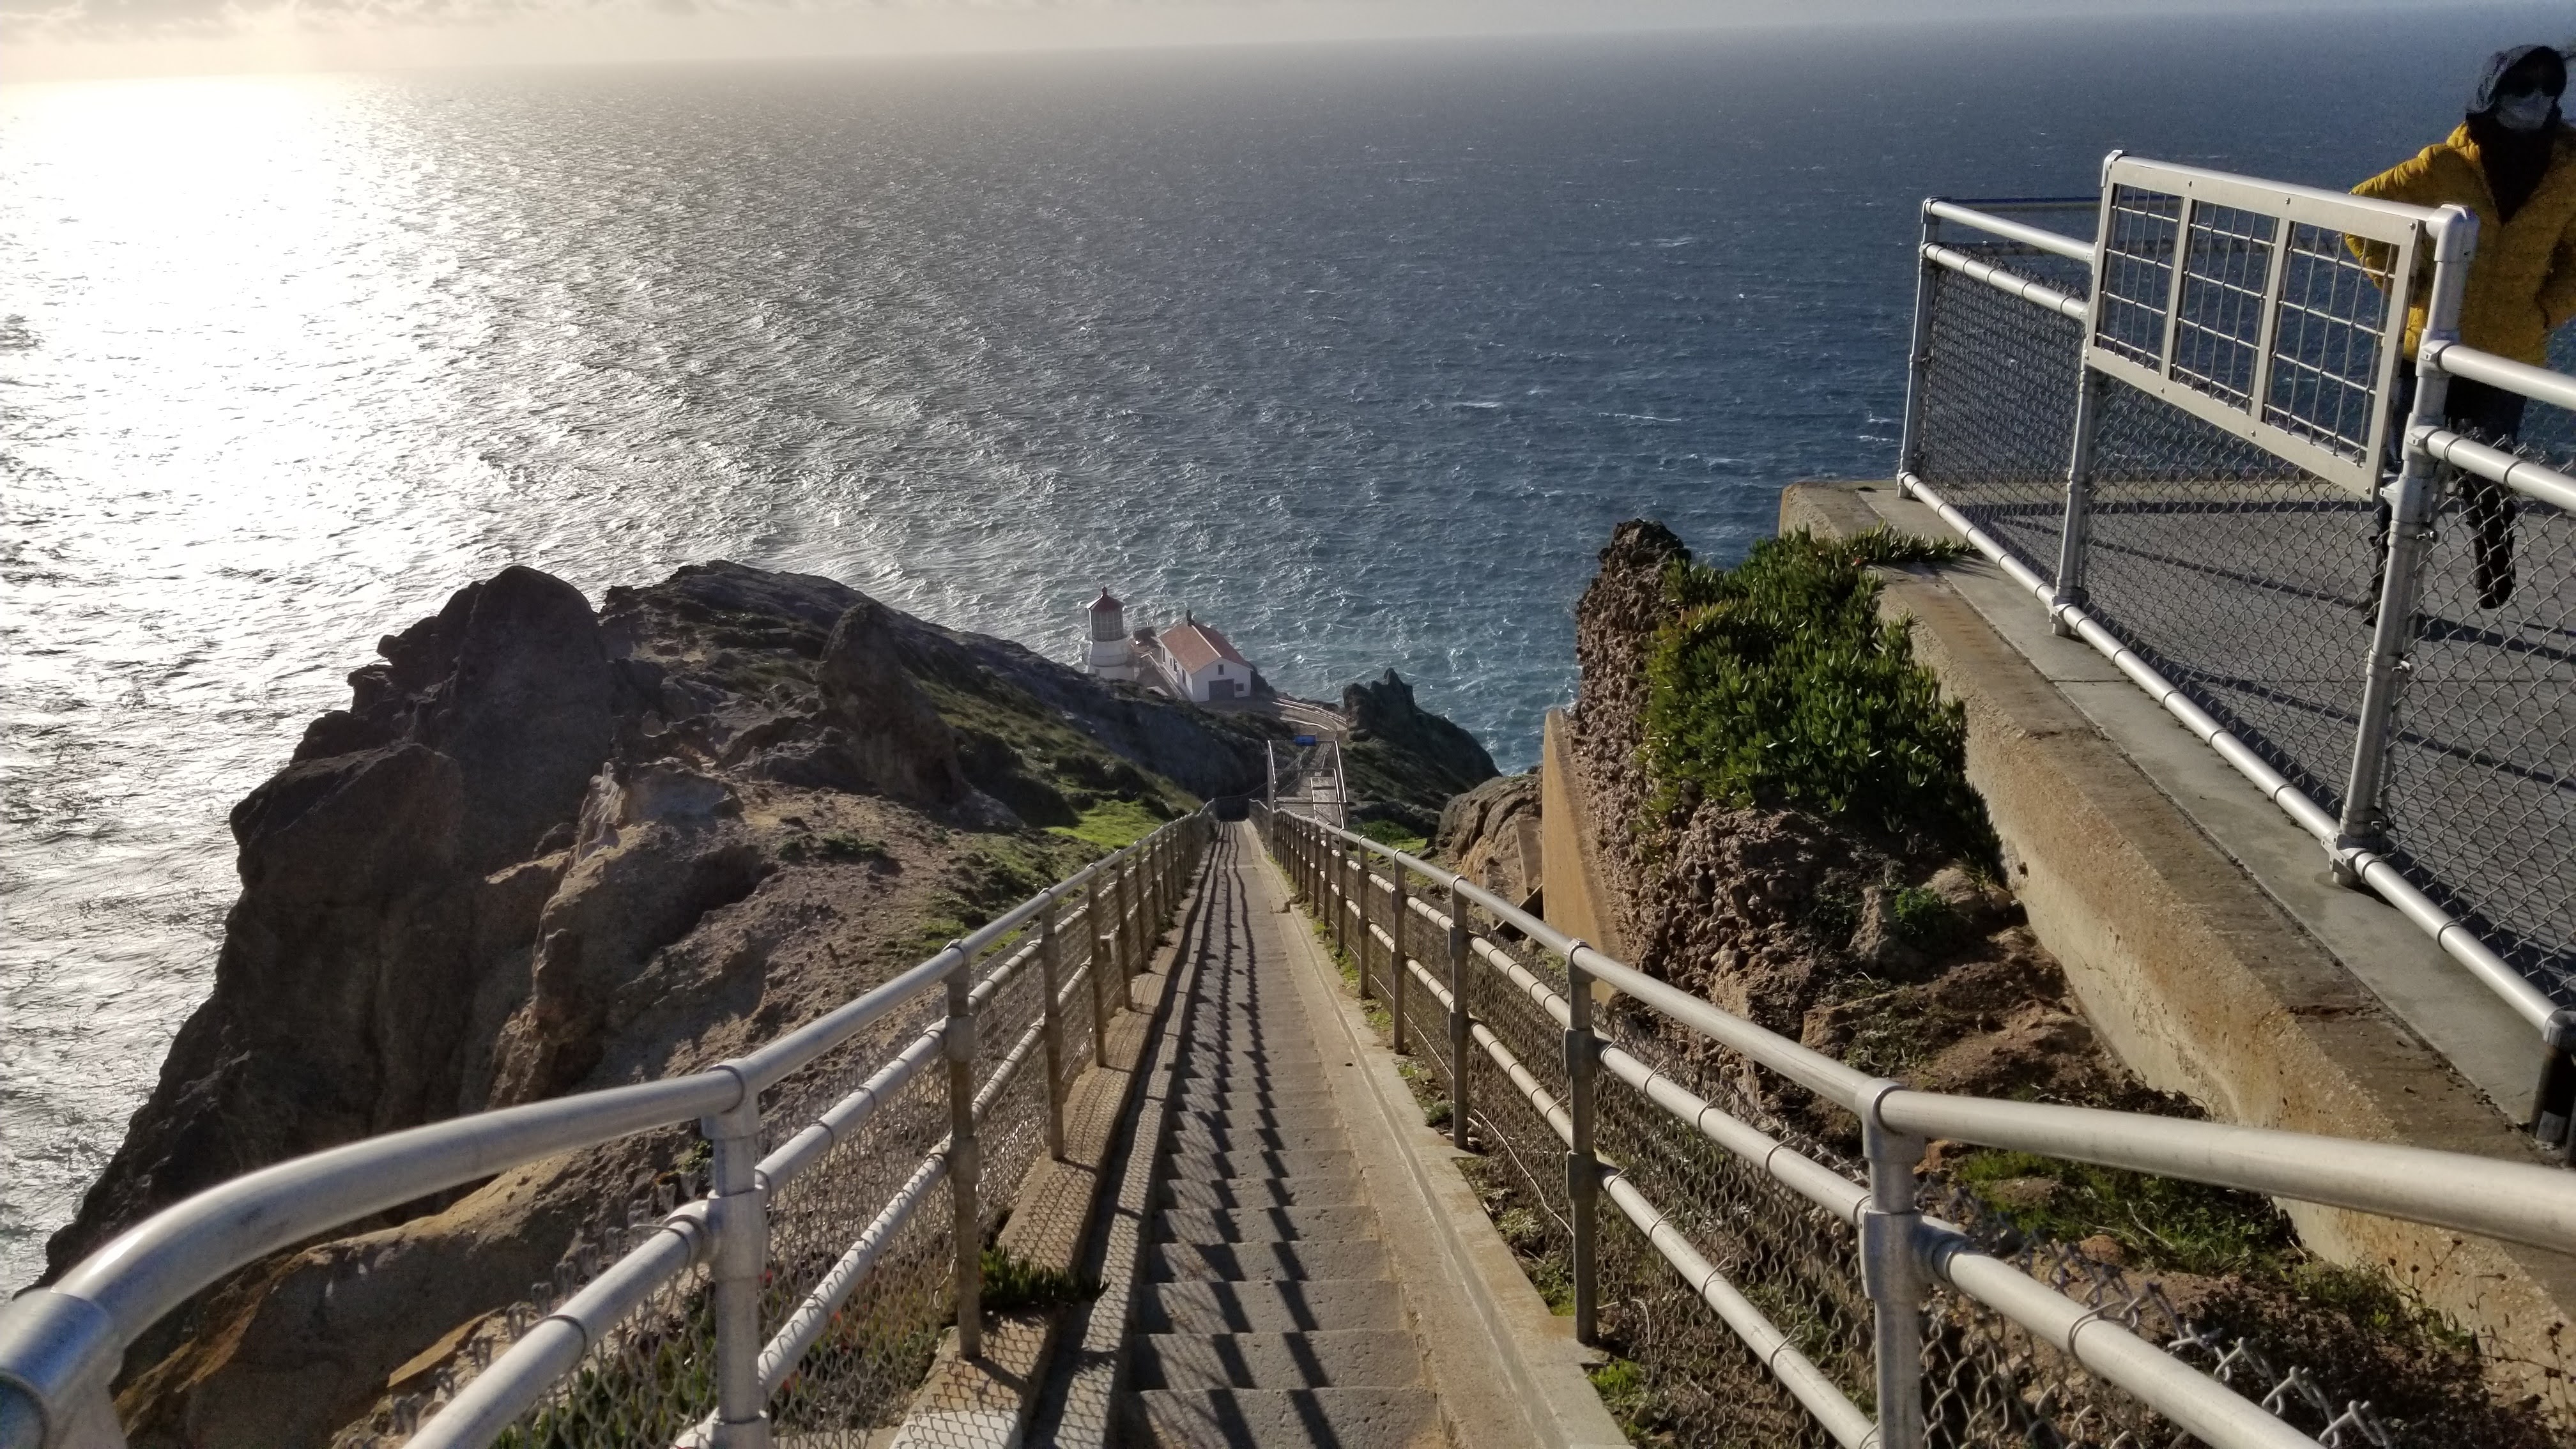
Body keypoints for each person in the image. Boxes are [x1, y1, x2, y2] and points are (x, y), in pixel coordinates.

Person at [2352, 43, 2576, 608]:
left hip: (2507, 354)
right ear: (2491, 92)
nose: (2535, 100)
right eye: (2522, 87)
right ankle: (2389, 580)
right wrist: (2409, 287)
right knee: (2405, 471)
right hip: (2427, 348)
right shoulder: (2442, 166)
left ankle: (2494, 549)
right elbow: (2360, 214)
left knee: (2492, 469)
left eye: (2548, 89)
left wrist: (2547, 311)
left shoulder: (2567, 175)